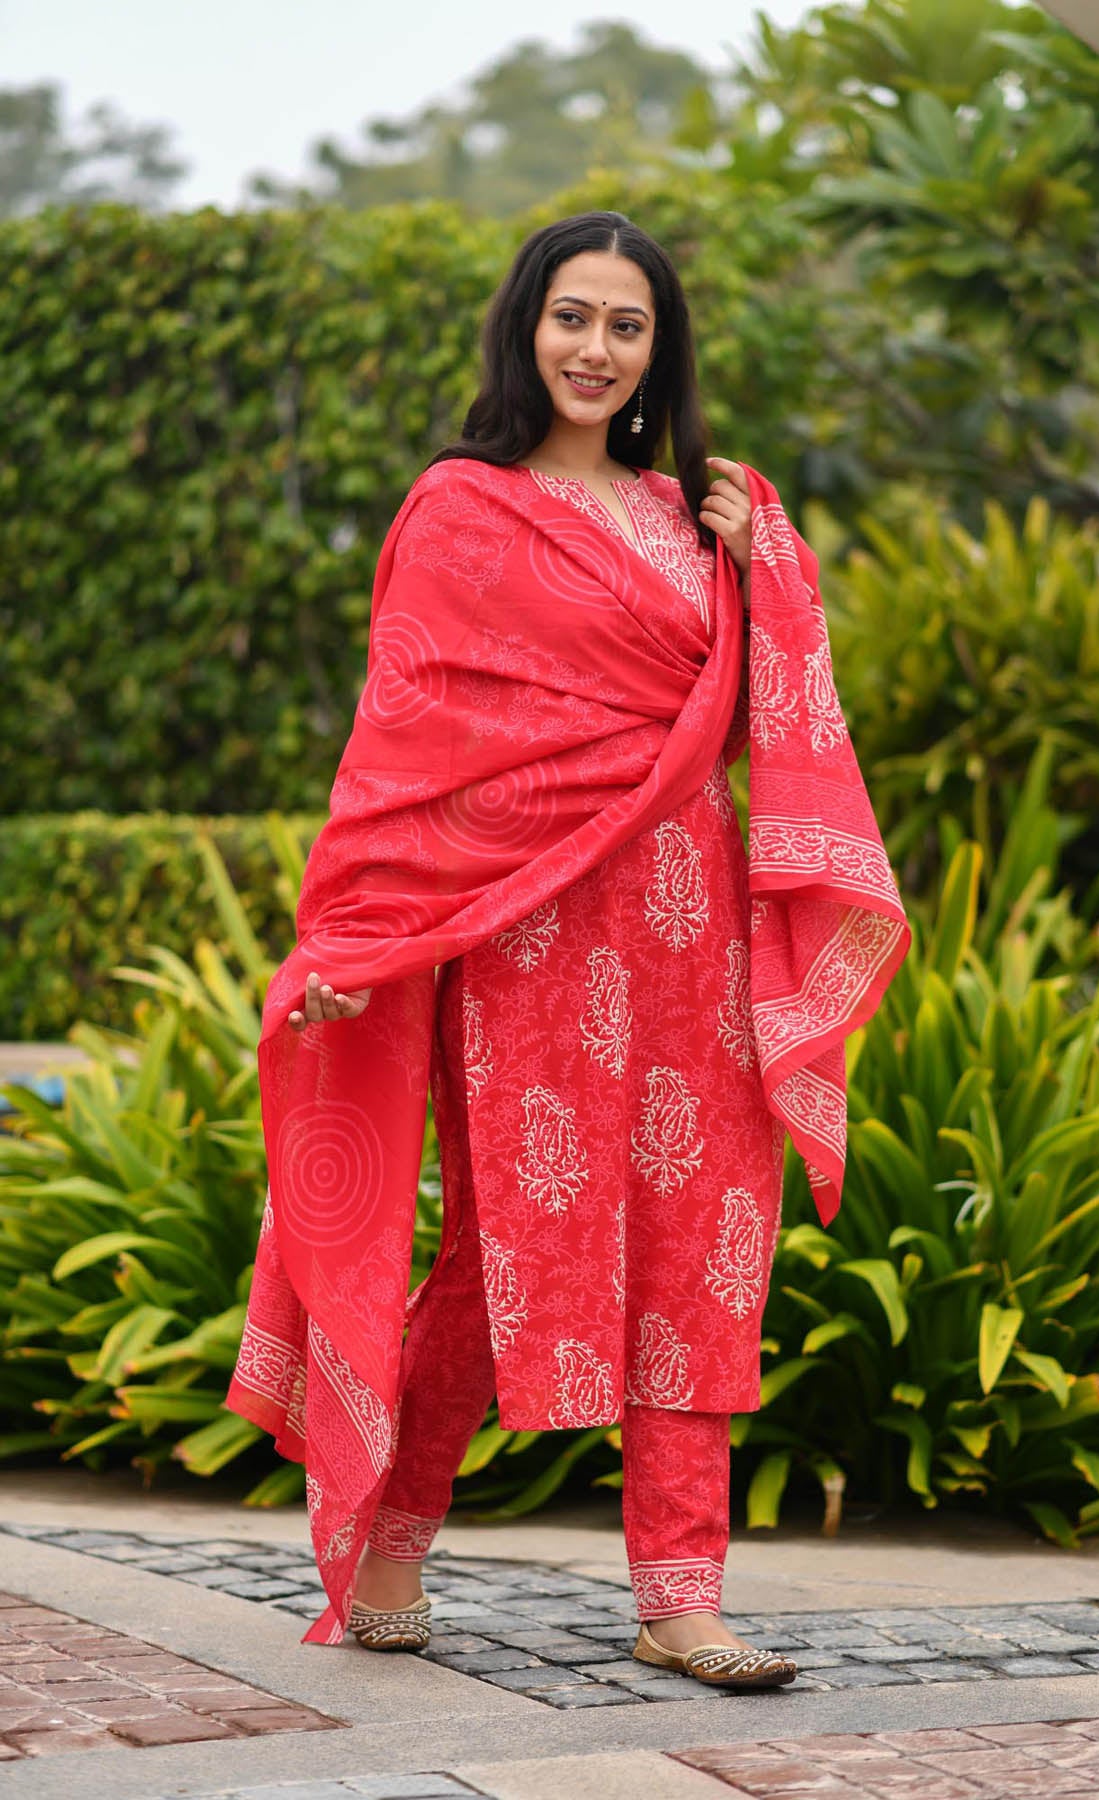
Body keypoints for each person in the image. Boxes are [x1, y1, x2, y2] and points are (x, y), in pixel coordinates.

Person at [227, 210, 910, 1690]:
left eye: (627, 325)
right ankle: (392, 1538)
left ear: (660, 351)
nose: (596, 349)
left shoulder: (705, 516)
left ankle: (682, 1599)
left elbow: (755, 722)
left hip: (693, 927)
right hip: (530, 932)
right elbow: (410, 744)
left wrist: (770, 574)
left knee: (704, 1246)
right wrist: (365, 929)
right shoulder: (460, 509)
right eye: (573, 317)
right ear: (525, 328)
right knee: (506, 1247)